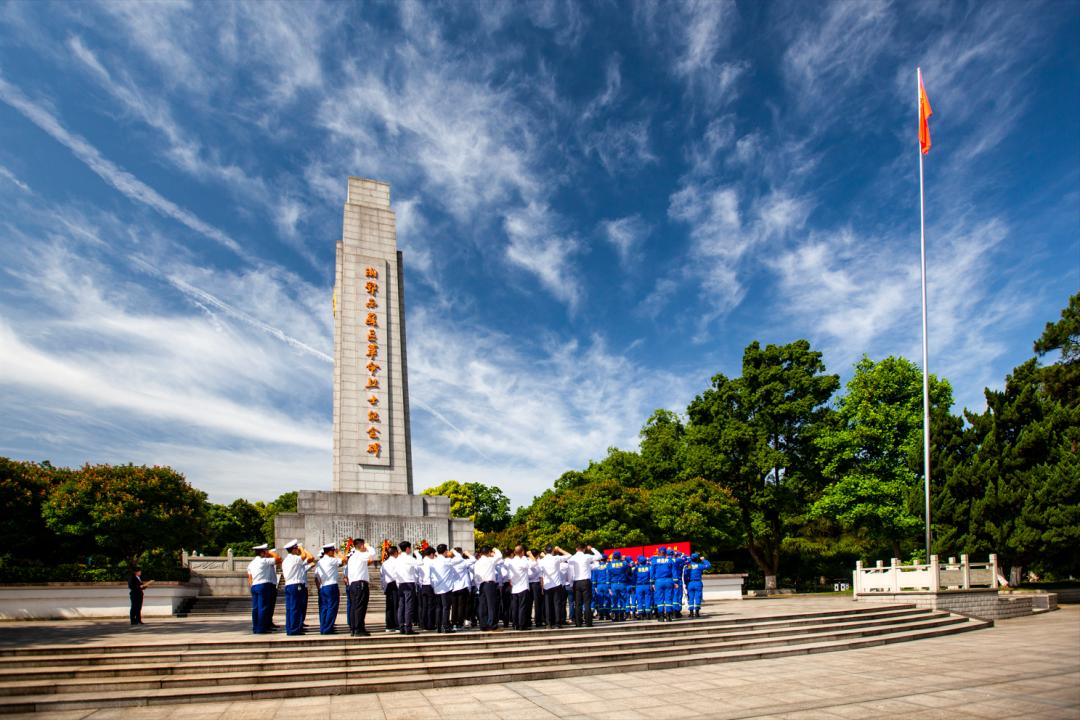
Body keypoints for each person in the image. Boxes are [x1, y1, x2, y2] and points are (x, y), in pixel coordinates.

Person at [567, 543, 602, 627]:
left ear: (576, 549)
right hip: (586, 582)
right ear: (584, 549)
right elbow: (599, 556)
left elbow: (570, 572)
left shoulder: (572, 558)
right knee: (587, 603)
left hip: (576, 582)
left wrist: (571, 583)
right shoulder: (586, 556)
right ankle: (588, 622)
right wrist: (592, 548)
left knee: (578, 603)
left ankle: (578, 623)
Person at [345, 538, 376, 636]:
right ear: (361, 546)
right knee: (360, 607)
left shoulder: (352, 557)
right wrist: (368, 546)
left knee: (354, 607)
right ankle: (358, 629)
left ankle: (355, 628)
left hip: (353, 584)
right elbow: (373, 554)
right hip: (360, 584)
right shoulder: (360, 555)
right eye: (363, 545)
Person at [281, 540, 312, 636]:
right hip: (296, 585)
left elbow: (309, 559)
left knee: (291, 608)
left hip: (290, 585)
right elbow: (309, 557)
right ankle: (294, 629)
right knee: (295, 608)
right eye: (296, 548)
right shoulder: (294, 558)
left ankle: (291, 628)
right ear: (294, 549)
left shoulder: (287, 559)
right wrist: (302, 548)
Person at [246, 543, 279, 634]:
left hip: (254, 586)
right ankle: (261, 628)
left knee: (255, 608)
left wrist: (252, 585)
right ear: (262, 552)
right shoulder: (263, 561)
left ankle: (256, 627)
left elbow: (249, 577)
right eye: (265, 551)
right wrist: (271, 553)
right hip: (263, 585)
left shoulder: (251, 563)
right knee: (263, 608)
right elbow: (278, 559)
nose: (267, 553)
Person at [472, 546, 503, 631]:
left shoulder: (477, 562)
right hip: (490, 584)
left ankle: (483, 624)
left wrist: (478, 586)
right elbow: (499, 555)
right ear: (489, 552)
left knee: (483, 605)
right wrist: (495, 549)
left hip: (481, 584)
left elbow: (476, 576)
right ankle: (491, 623)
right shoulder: (490, 560)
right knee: (491, 605)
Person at [314, 543, 341, 634]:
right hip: (331, 586)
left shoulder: (319, 562)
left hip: (323, 587)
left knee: (324, 608)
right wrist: (339, 553)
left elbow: (316, 577)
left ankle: (323, 627)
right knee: (332, 607)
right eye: (333, 551)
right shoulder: (331, 560)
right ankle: (328, 628)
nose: (334, 553)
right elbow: (344, 560)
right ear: (329, 551)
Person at [539, 545, 568, 629]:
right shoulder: (556, 558)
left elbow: (541, 576)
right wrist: (560, 549)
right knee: (557, 604)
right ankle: (557, 623)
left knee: (548, 605)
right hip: (556, 584)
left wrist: (542, 587)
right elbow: (569, 555)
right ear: (552, 551)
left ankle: (548, 623)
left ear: (544, 551)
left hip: (547, 585)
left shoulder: (542, 561)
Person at [395, 541, 420, 634]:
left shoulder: (397, 558)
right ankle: (408, 628)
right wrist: (417, 554)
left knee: (401, 606)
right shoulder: (408, 558)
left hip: (401, 584)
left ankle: (401, 627)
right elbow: (420, 563)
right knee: (409, 606)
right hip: (409, 583)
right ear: (407, 548)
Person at [682, 553, 711, 617]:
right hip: (698, 583)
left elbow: (685, 575)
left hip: (690, 583)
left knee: (691, 598)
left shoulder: (689, 566)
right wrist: (703, 560)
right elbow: (708, 566)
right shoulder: (699, 565)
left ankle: (691, 613)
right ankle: (697, 613)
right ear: (697, 559)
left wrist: (686, 583)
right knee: (698, 597)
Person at [650, 547, 675, 622]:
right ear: (665, 553)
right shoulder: (670, 560)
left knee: (660, 598)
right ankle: (668, 616)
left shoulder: (654, 561)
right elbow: (674, 572)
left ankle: (661, 617)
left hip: (659, 581)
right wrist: (675, 582)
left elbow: (652, 572)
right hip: (669, 580)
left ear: (659, 553)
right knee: (668, 598)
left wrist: (652, 583)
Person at [380, 545, 400, 633]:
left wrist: (384, 588)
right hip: (396, 584)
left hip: (388, 585)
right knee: (397, 606)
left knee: (389, 606)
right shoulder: (397, 562)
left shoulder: (385, 563)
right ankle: (397, 625)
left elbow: (382, 576)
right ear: (395, 552)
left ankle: (389, 625)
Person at [607, 552, 631, 622]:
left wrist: (609, 587)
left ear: (613, 557)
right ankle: (622, 616)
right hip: (622, 584)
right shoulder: (624, 564)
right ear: (620, 557)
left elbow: (608, 576)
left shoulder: (609, 565)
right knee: (623, 600)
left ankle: (616, 616)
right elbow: (629, 567)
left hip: (613, 584)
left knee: (614, 600)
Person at [633, 555, 652, 620]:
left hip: (639, 586)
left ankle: (640, 614)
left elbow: (634, 577)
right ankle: (648, 614)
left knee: (639, 600)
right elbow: (651, 576)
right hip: (647, 585)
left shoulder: (636, 569)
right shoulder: (649, 568)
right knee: (647, 599)